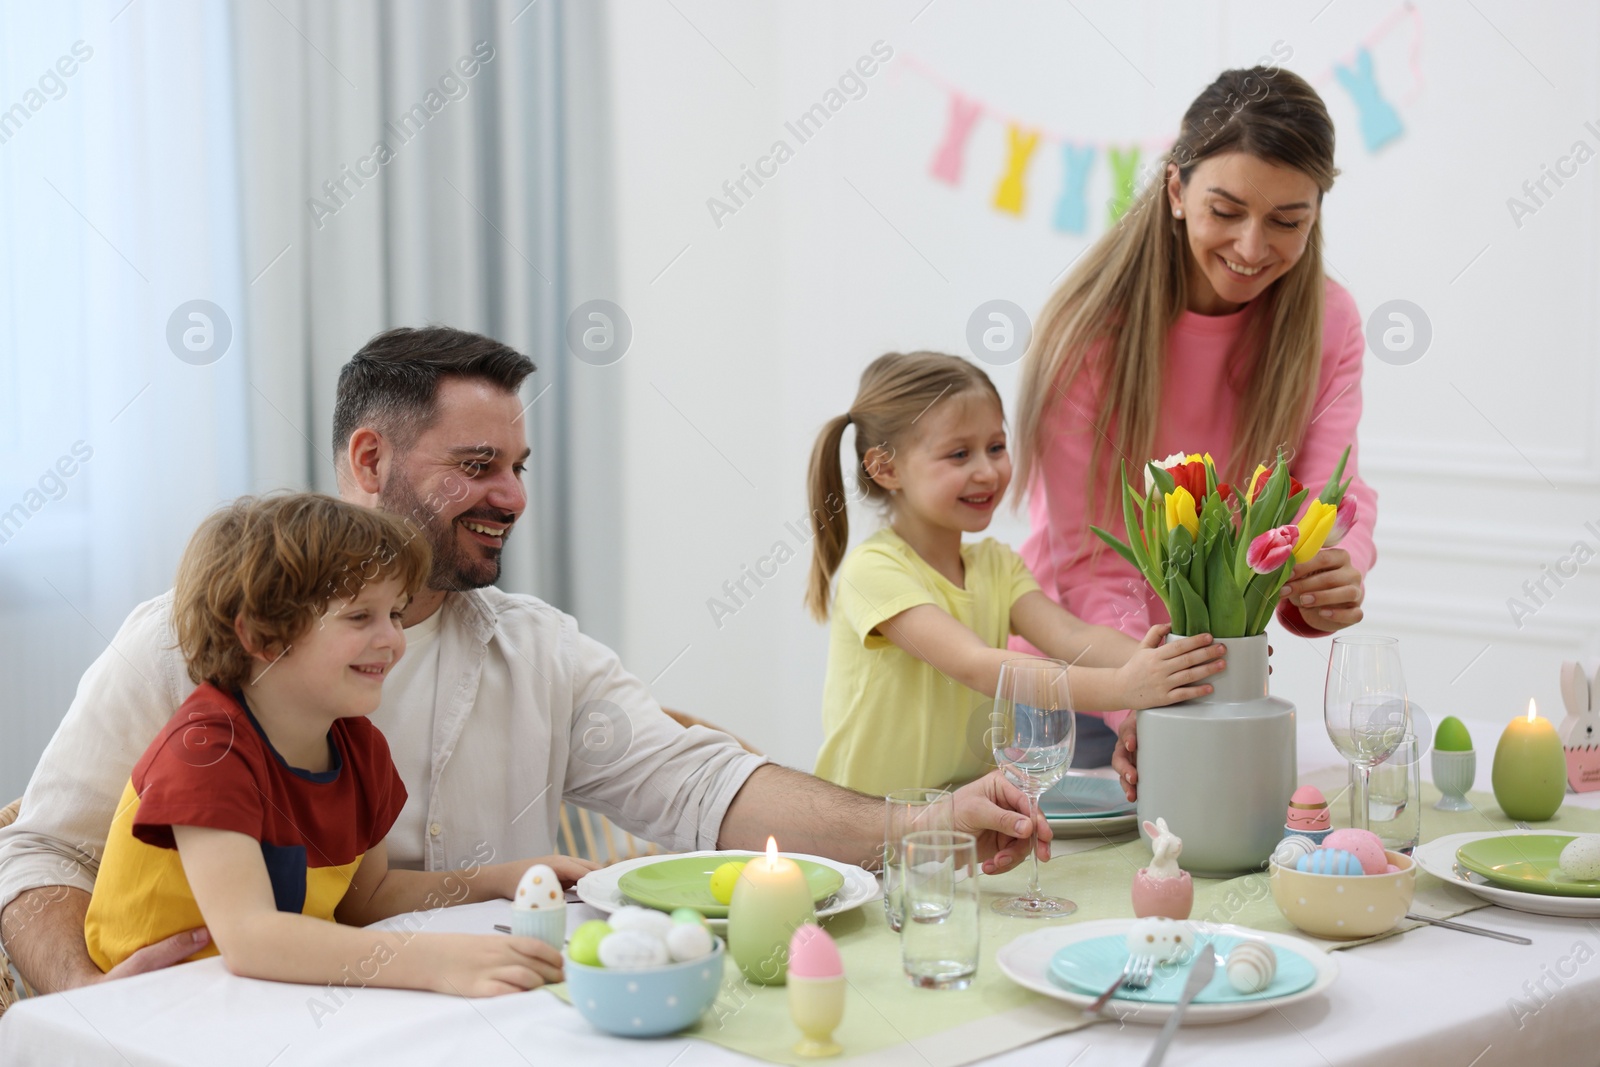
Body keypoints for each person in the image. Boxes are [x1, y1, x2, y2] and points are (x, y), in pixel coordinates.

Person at [0, 326, 1049, 997]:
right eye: (476, 465)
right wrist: (89, 995)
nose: (512, 495)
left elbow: (700, 784)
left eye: (519, 465)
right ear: (370, 459)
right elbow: (37, 852)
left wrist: (926, 826)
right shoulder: (189, 645)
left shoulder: (538, 647)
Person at [1009, 67, 1378, 792]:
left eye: (1287, 221)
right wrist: (1144, 693)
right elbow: (1090, 559)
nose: (1252, 245)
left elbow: (1328, 494)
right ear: (1176, 190)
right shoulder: (1090, 331)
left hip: (1215, 676)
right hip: (1080, 682)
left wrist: (1333, 566)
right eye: (1227, 209)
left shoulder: (1329, 323)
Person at [85, 493, 589, 994]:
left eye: (395, 613)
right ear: (262, 636)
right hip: (154, 1008)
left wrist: (504, 877)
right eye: (359, 617)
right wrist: (437, 962)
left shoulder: (358, 746)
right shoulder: (207, 750)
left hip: (262, 997)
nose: (392, 640)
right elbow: (252, 938)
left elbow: (366, 899)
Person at [806, 351, 1227, 796]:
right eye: (959, 454)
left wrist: (1181, 660)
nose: (987, 471)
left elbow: (1073, 636)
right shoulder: (873, 570)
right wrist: (1123, 687)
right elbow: (976, 665)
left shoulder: (996, 564)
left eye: (995, 447)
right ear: (886, 469)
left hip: (962, 818)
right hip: (870, 826)